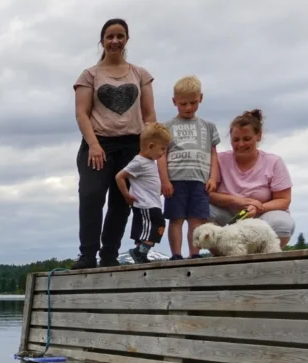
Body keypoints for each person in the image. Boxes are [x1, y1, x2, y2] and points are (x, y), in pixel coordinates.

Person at [73, 18, 157, 269]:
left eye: (120, 36)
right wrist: (94, 145)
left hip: (132, 144)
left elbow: (149, 114)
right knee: (92, 196)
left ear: (127, 40)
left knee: (123, 201)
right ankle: (88, 254)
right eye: (109, 36)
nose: (115, 41)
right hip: (98, 143)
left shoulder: (140, 74)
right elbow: (81, 113)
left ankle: (109, 254)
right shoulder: (90, 75)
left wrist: (151, 148)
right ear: (102, 41)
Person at [206, 109, 295, 248]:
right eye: (236, 140)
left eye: (246, 139)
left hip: (261, 218)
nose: (241, 144)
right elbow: (208, 194)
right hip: (229, 219)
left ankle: (264, 256)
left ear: (258, 136)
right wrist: (236, 200)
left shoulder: (274, 162)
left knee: (282, 224)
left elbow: (284, 200)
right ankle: (224, 253)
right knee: (201, 209)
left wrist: (258, 207)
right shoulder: (219, 160)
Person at [160, 76, 221, 260]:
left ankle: (194, 253)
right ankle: (176, 254)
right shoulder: (167, 127)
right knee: (176, 218)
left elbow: (213, 154)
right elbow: (161, 155)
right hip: (175, 180)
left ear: (200, 99)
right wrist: (164, 180)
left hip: (199, 180)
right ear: (174, 102)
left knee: (197, 219)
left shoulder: (208, 127)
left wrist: (212, 178)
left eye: (193, 103)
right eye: (183, 103)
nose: (188, 108)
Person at [115, 122, 171, 264]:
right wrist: (126, 195)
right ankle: (139, 252)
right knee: (158, 225)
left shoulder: (149, 161)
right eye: (162, 149)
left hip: (152, 202)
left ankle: (141, 254)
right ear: (151, 146)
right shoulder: (139, 162)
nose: (163, 153)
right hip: (146, 205)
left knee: (144, 231)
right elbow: (120, 176)